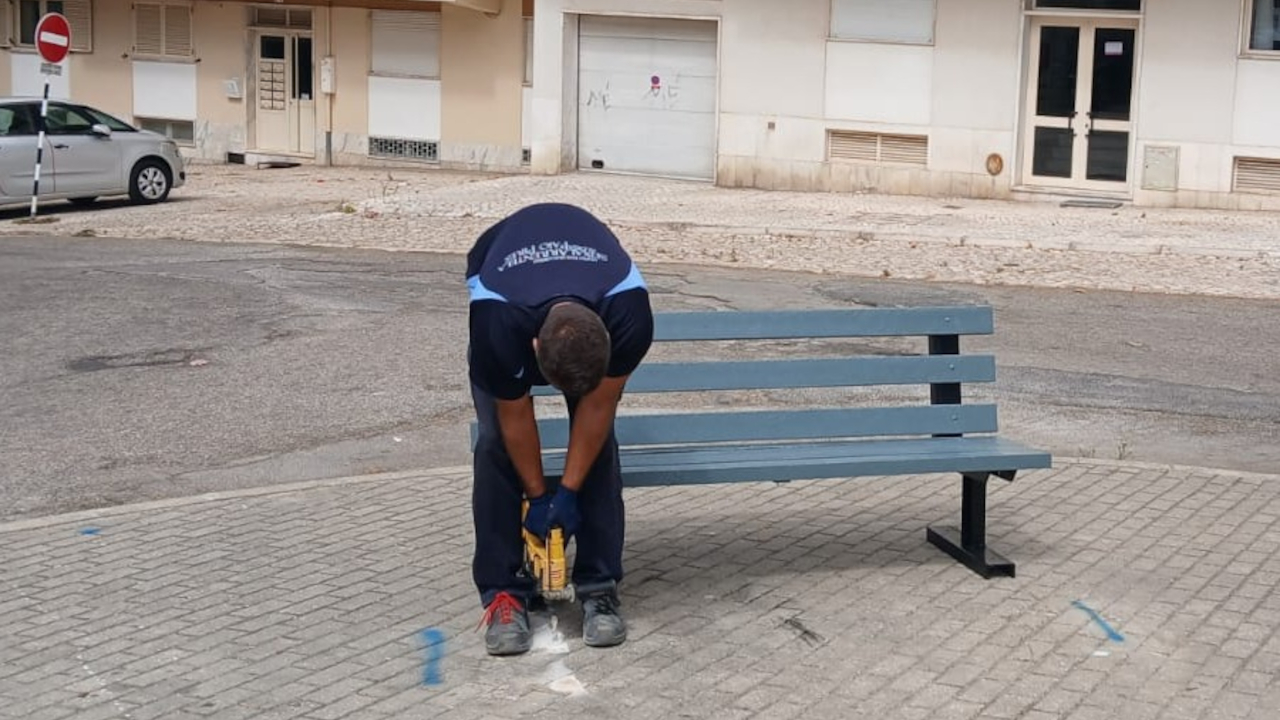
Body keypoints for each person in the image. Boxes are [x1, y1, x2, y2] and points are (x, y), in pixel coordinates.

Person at [465, 202, 654, 656]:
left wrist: (567, 492)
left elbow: (597, 408)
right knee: (494, 445)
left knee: (598, 444)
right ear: (533, 348)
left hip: (593, 296)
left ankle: (599, 583)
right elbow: (515, 416)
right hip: (504, 283)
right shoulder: (496, 318)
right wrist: (537, 496)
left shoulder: (629, 313)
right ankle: (504, 592)